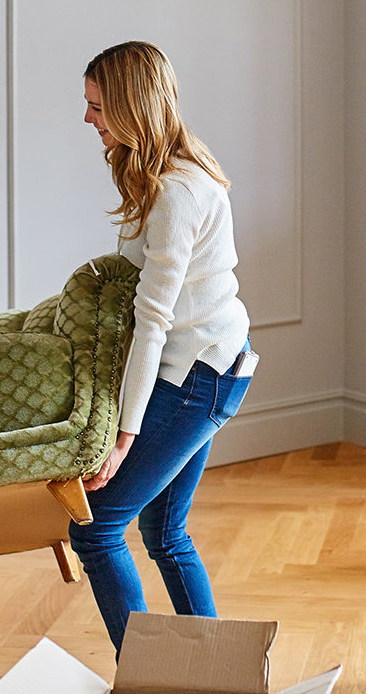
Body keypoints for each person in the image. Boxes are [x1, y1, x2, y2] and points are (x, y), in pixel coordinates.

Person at [69, 41, 258, 653]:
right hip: (215, 364)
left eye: (98, 106)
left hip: (196, 378)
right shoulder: (167, 173)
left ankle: (153, 678)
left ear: (129, 106)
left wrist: (122, 438)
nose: (89, 118)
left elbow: (154, 320)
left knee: (97, 531)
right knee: (165, 531)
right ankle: (210, 677)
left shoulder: (176, 192)